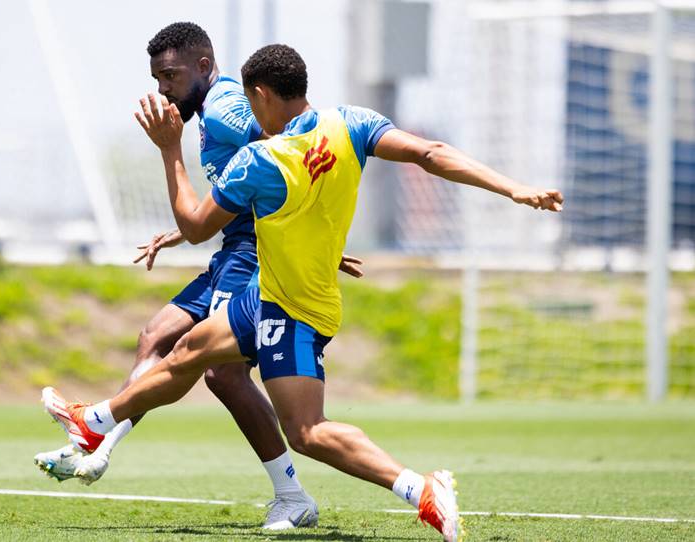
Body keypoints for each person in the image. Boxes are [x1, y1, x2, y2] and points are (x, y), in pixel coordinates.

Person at [43, 44, 563, 541]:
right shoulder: (352, 122)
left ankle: (422, 489)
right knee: (188, 350)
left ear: (262, 95)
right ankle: (95, 424)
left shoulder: (260, 161)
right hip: (267, 294)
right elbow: (431, 152)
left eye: (250, 102)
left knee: (308, 432)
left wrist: (170, 151)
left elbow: (198, 226)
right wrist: (512, 188)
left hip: (294, 310)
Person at [34, 23, 360, 531]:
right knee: (156, 335)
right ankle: (98, 443)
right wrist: (180, 231)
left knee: (222, 373)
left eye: (170, 75)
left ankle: (291, 495)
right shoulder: (211, 110)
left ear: (203, 68)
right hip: (232, 250)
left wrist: (313, 230)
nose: (162, 88)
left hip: (256, 254)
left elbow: (288, 148)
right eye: (156, 77)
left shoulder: (228, 105)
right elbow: (237, 190)